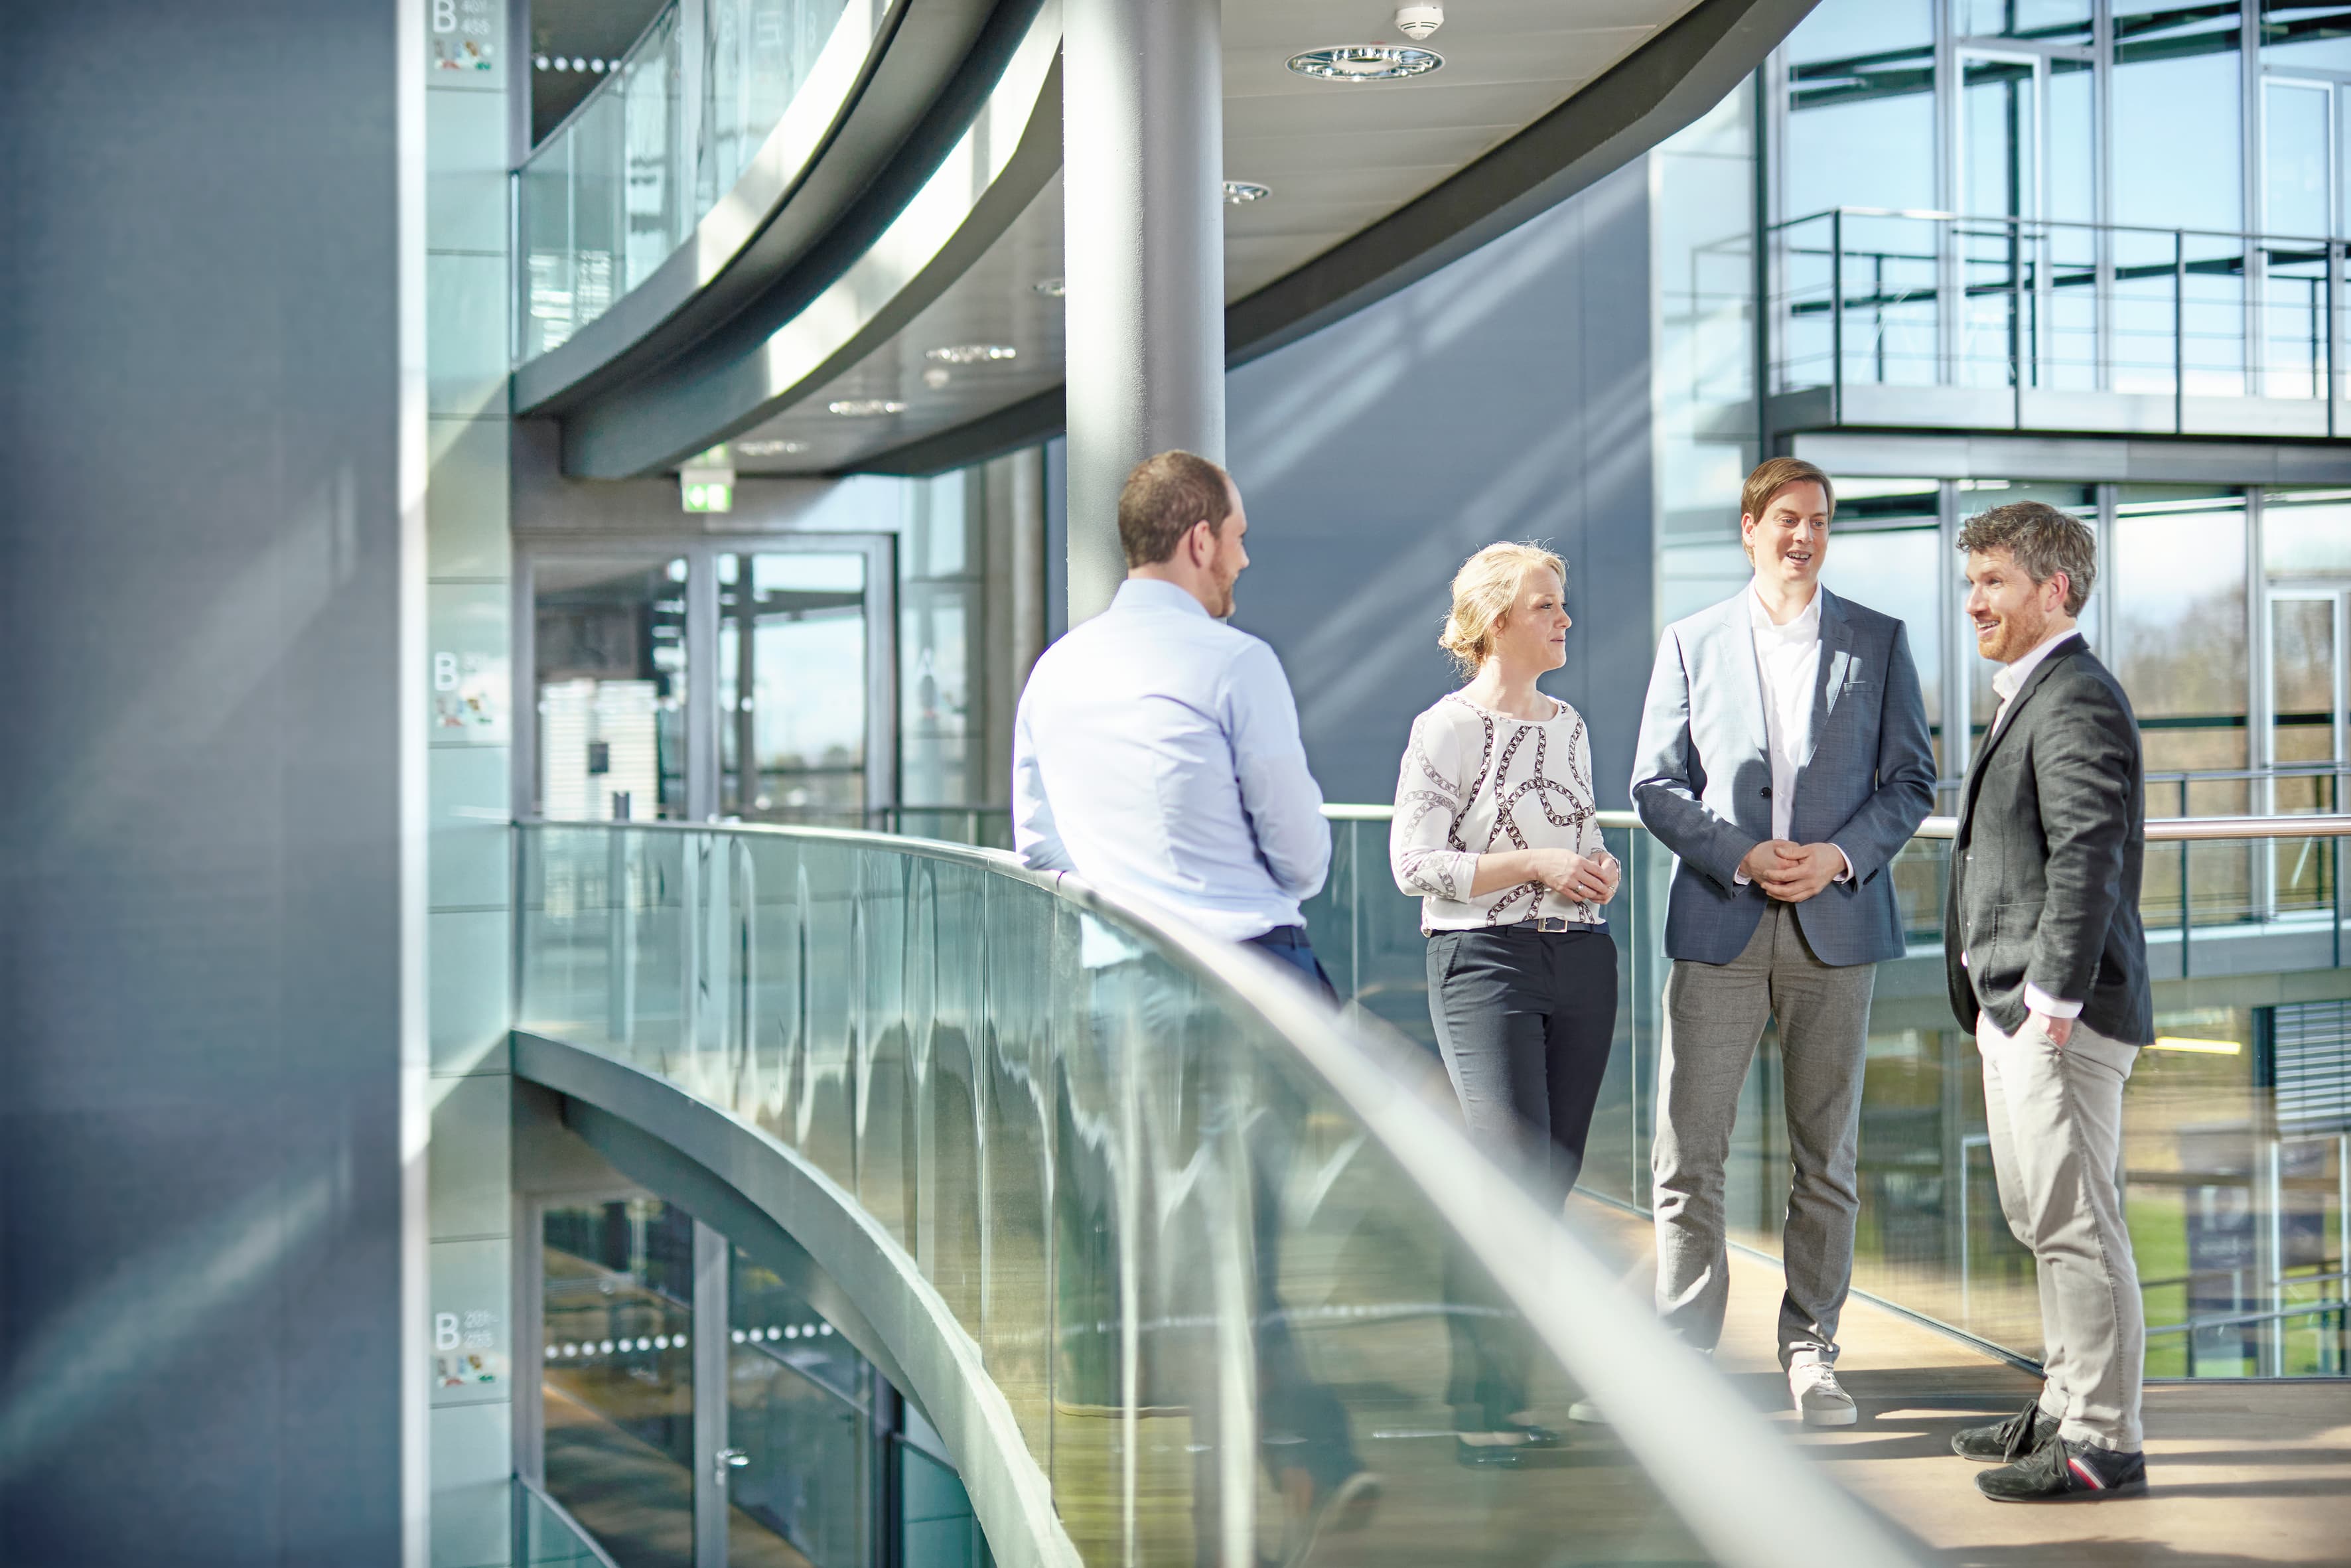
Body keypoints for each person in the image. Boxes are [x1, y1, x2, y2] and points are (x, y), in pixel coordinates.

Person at [1012, 450, 1375, 1561]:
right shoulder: (1234, 661)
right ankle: (1301, 1470)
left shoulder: (1056, 672)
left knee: (1198, 1246)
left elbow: (1037, 847)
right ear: (1198, 539)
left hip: (1119, 993)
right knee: (1250, 1244)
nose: (1246, 558)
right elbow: (1303, 852)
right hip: (1243, 982)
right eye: (1239, 536)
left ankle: (1288, 1474)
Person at [1630, 457, 1934, 1425]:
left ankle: (1813, 1353)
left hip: (1835, 929)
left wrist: (1839, 857)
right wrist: (1741, 855)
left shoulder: (1878, 644)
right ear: (1751, 528)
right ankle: (1681, 1353)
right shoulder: (1691, 642)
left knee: (1826, 1159)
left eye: (1820, 521)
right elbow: (1656, 784)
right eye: (1788, 520)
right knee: (1688, 1154)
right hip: (1720, 923)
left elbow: (1913, 785)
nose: (1805, 536)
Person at [1389, 541, 1620, 1465]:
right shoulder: (1443, 729)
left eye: (1561, 605)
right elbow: (1415, 865)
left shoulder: (1569, 724)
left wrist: (1597, 868)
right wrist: (1533, 866)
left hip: (1582, 961)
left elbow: (1581, 828)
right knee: (1508, 1181)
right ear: (1494, 622)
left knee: (1550, 1182)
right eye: (1545, 607)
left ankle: (1506, 1390)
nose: (1564, 620)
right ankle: (1476, 1404)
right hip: (1481, 963)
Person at [1942, 502, 2153, 1503]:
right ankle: (2066, 1405)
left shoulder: (2075, 699)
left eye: (1993, 581)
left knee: (2080, 1225)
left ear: (2053, 588)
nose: (1973, 598)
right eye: (1971, 580)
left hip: (2058, 1013)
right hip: (2017, 1008)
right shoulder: (2034, 690)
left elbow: (2087, 858)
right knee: (2042, 1218)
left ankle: (2104, 1443)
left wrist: (2052, 1001)